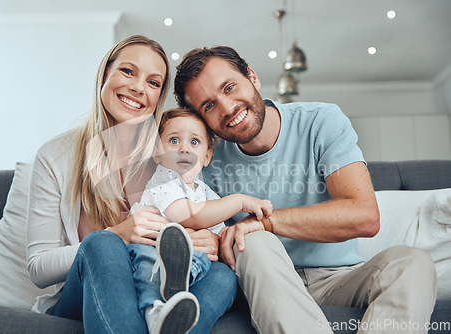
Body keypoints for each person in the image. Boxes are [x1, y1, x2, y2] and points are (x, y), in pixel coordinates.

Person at [173, 46, 437, 334]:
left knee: (413, 263)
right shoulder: (205, 156)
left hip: (340, 278)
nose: (227, 108)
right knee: (255, 243)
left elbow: (364, 215)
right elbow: (190, 222)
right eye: (208, 106)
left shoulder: (320, 122)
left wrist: (265, 223)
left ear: (252, 77)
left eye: (230, 87)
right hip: (261, 282)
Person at [25, 36, 237, 334]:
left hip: (154, 287)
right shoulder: (56, 156)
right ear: (105, 74)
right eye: (127, 71)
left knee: (223, 276)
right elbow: (38, 267)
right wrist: (118, 234)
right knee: (103, 243)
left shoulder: (171, 153)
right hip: (84, 295)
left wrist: (208, 241)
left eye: (153, 83)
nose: (138, 87)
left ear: (158, 97)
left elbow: (198, 212)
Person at [126, 108, 272, 332]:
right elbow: (191, 215)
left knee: (211, 260)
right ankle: (155, 311)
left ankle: (179, 283)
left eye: (194, 142)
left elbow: (219, 235)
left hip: (187, 268)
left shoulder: (206, 193)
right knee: (148, 265)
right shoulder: (163, 181)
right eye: (174, 140)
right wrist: (240, 201)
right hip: (148, 252)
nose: (184, 148)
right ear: (157, 152)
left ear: (207, 156)